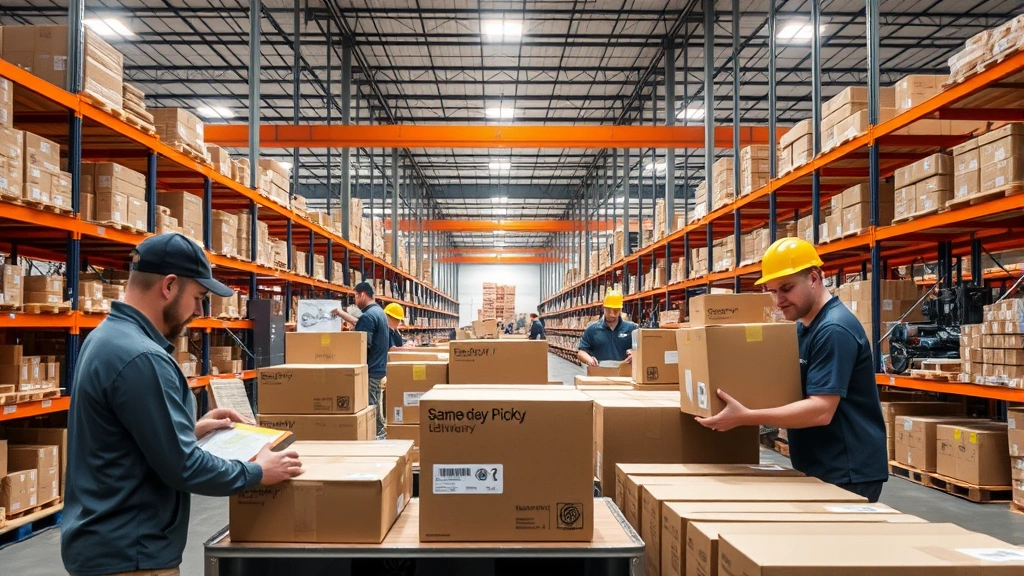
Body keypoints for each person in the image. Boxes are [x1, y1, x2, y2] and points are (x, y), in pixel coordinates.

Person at [62, 232, 303, 576]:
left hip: (103, 545)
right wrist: (258, 472)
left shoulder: (104, 339)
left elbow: (120, 437)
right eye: (199, 297)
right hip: (131, 556)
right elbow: (183, 468)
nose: (199, 311)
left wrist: (189, 429)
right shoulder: (142, 358)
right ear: (169, 286)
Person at [695, 237, 888, 502]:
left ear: (814, 278)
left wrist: (746, 416)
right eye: (773, 291)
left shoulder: (833, 330)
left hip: (846, 470)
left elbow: (821, 410)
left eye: (786, 288)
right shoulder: (803, 327)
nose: (778, 300)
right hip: (821, 463)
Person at [333, 281, 389, 439]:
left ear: (363, 295)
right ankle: (380, 434)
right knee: (376, 403)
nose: (355, 301)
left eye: (356, 297)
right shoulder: (378, 312)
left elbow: (364, 345)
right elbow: (360, 323)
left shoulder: (369, 316)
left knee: (371, 407)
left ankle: (378, 437)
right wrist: (340, 313)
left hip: (370, 369)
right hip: (378, 367)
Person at [577, 290, 637, 366]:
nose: (612, 314)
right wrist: (589, 360)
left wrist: (634, 355)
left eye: (616, 310)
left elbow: (642, 349)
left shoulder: (631, 328)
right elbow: (581, 352)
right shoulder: (592, 329)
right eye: (609, 310)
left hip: (624, 373)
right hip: (600, 372)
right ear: (603, 307)